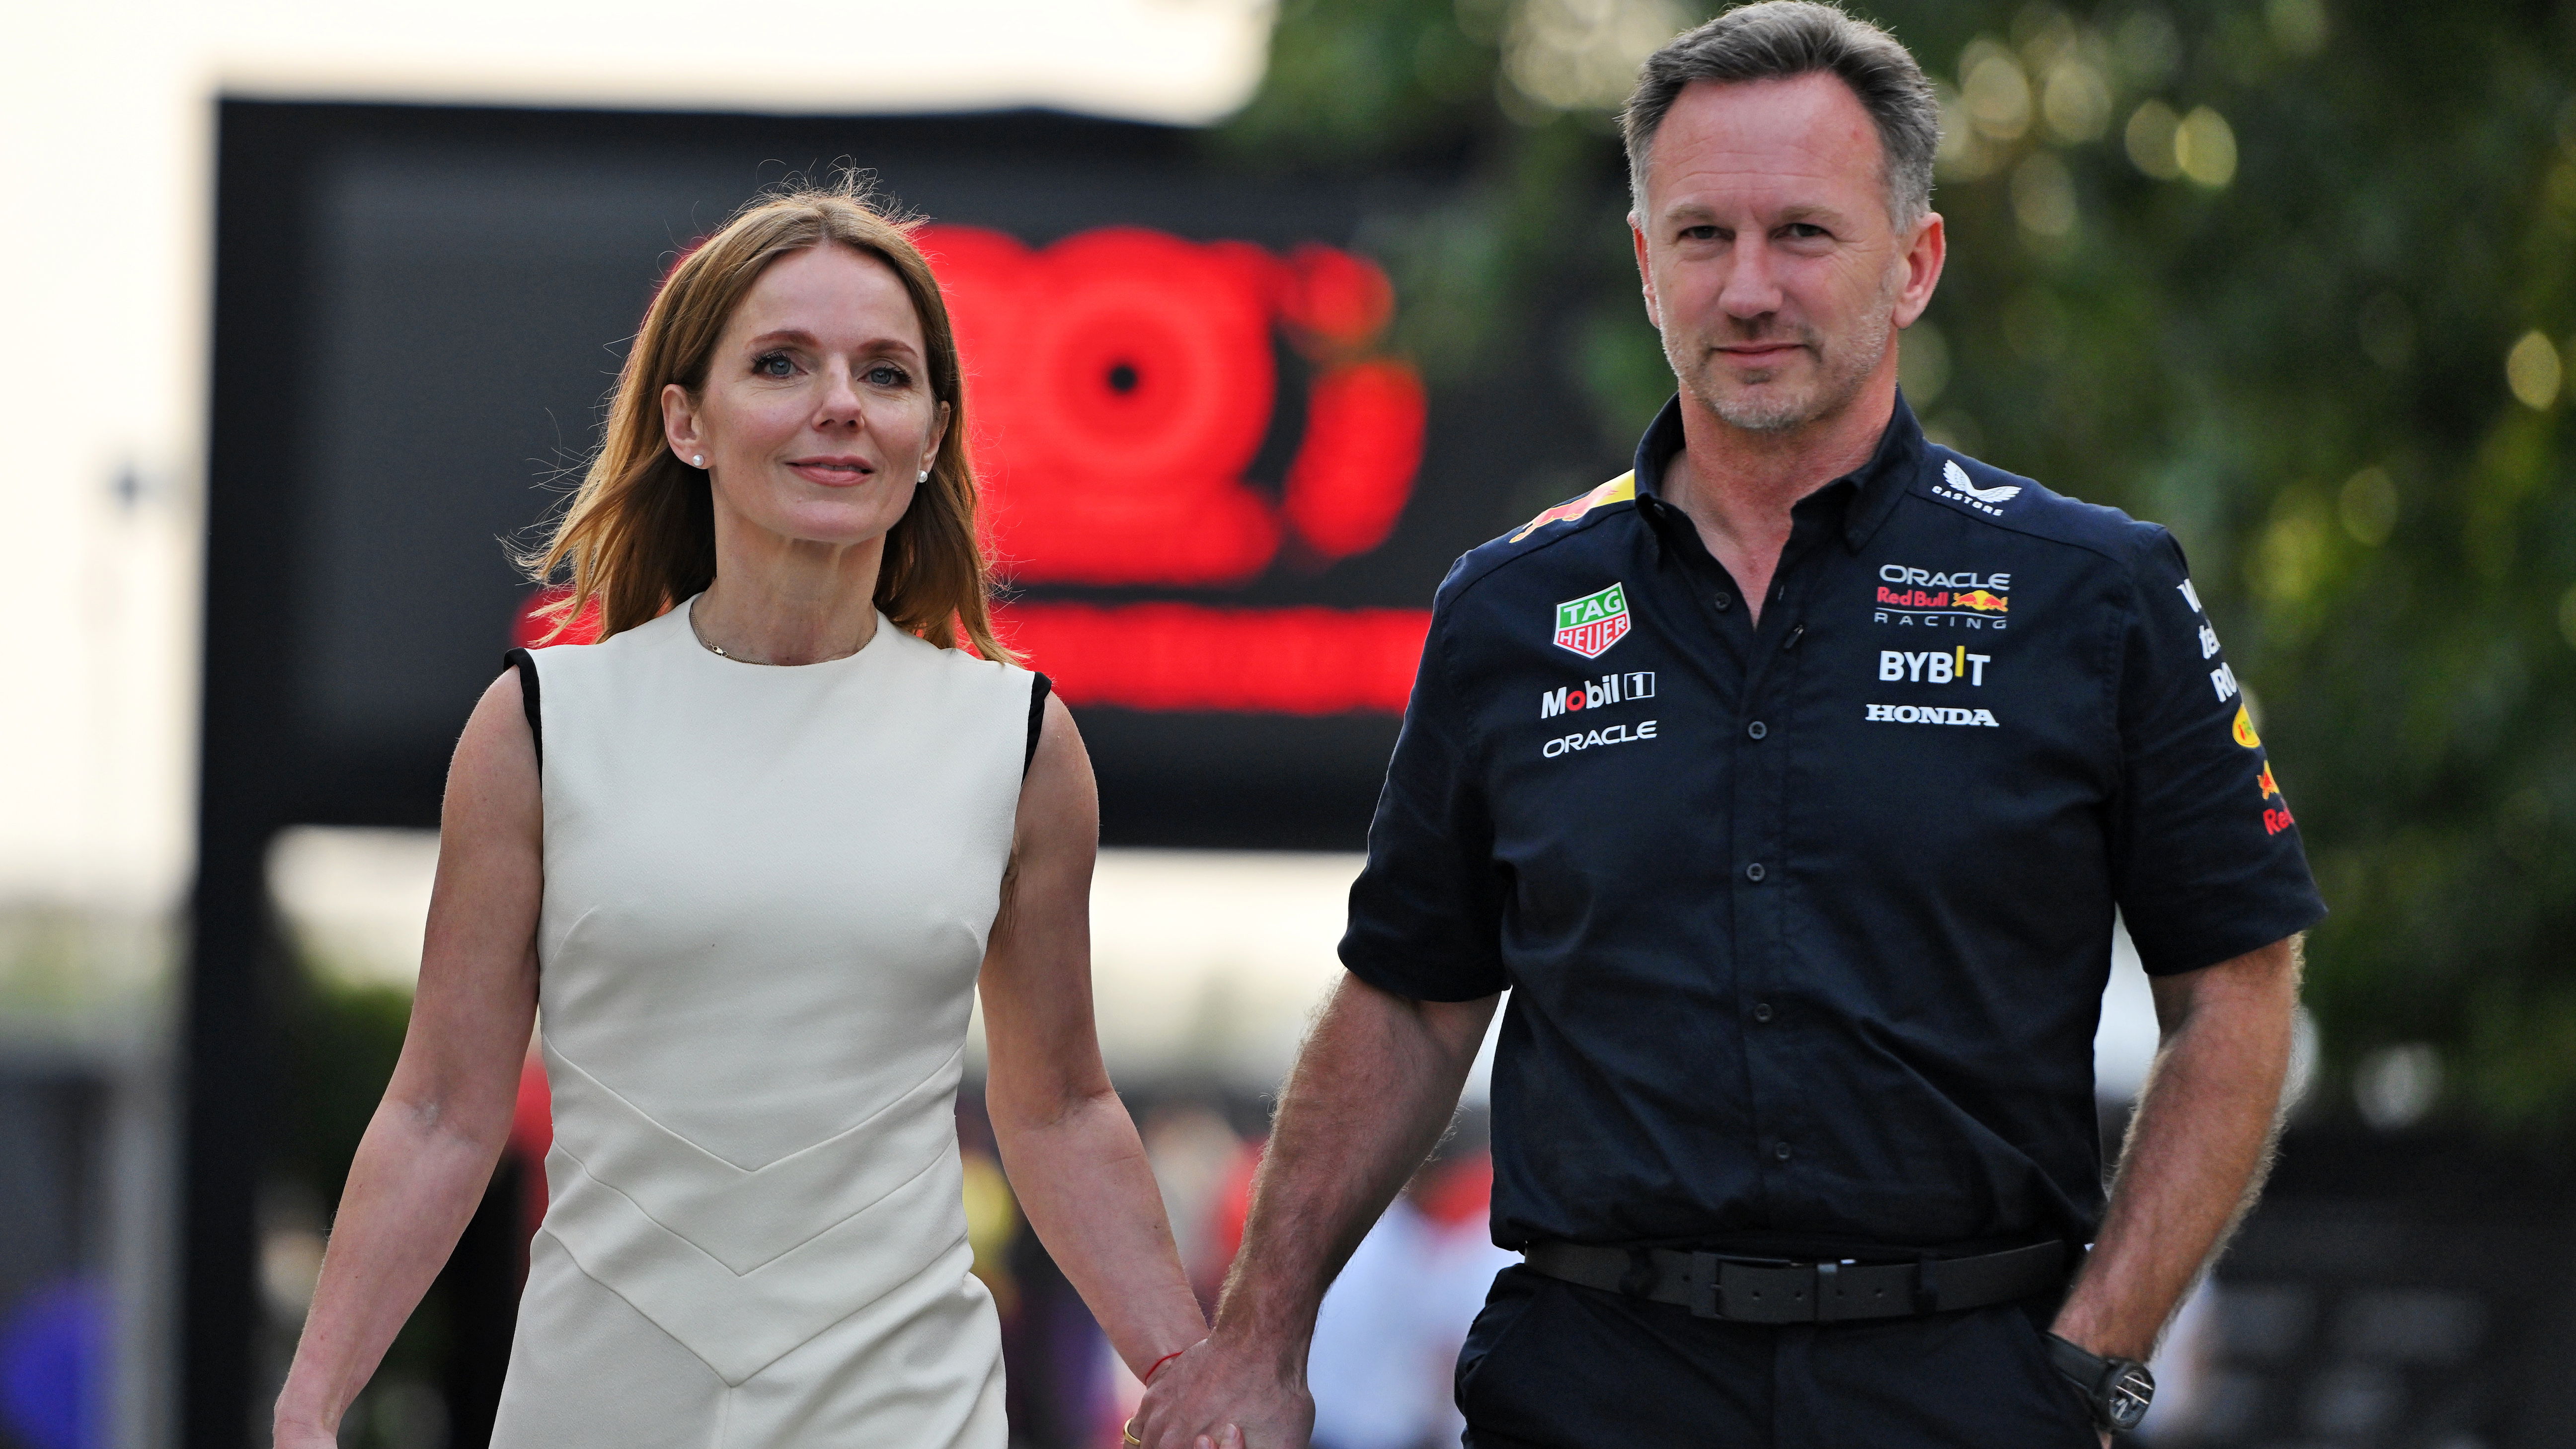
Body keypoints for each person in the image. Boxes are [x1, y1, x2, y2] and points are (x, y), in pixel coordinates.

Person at [1136, 4, 2324, 1446]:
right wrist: (1261, 1333)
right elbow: (1407, 999)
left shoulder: (2094, 591)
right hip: (1592, 1382)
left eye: (1804, 235)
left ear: (1914, 264)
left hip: (1961, 1388)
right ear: (1646, 267)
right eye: (1702, 236)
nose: (1748, 287)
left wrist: (2093, 1357)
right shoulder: (1509, 610)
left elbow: (2238, 984)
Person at [271, 185, 1205, 1448]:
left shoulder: (1021, 740)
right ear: (686, 422)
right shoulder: (539, 723)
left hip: (903, 1410)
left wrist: (1194, 1374)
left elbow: (1059, 1109)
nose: (839, 402)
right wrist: (312, 1404)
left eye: (885, 372)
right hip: (595, 1404)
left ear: (931, 432)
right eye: (780, 363)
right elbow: (442, 1107)